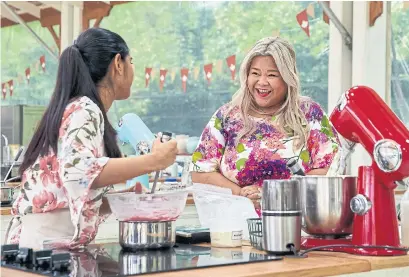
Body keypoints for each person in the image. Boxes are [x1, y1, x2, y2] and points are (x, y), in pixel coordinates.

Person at [4, 28, 178, 250]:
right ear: (118, 64)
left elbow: (70, 190)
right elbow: (78, 173)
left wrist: (120, 200)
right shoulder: (86, 109)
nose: (133, 69)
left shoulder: (78, 108)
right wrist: (155, 160)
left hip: (44, 243)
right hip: (45, 248)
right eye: (131, 61)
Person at [190, 37, 339, 209]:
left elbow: (331, 170)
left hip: (296, 222)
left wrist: (272, 194)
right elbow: (200, 171)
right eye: (255, 73)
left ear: (287, 78)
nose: (262, 82)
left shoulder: (309, 114)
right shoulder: (227, 116)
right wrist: (240, 193)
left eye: (272, 75)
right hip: (236, 224)